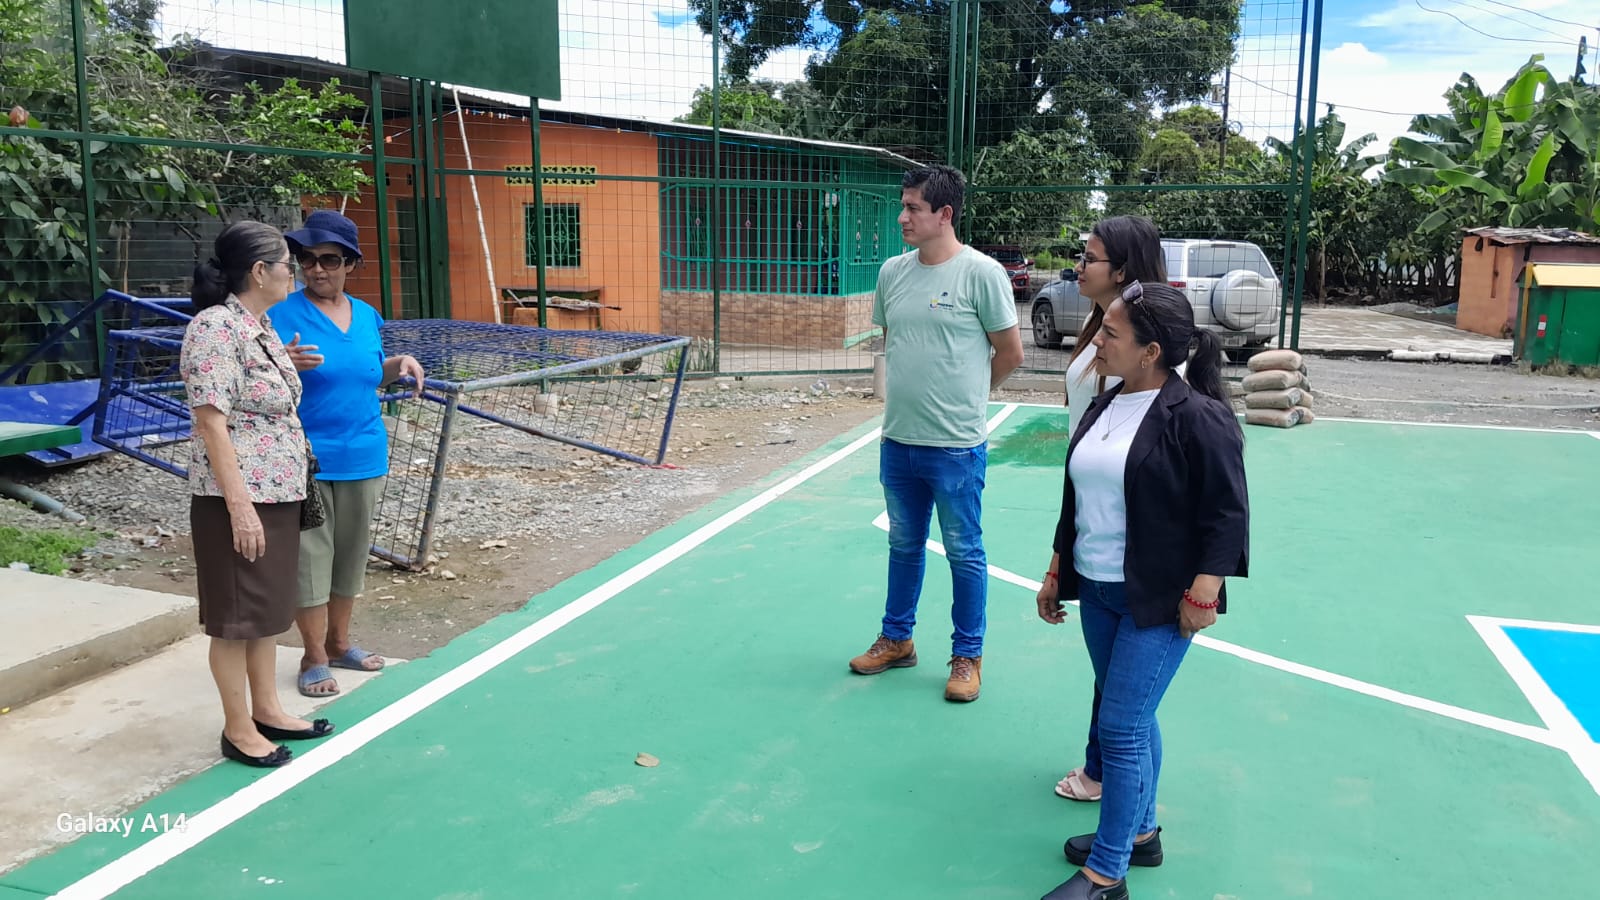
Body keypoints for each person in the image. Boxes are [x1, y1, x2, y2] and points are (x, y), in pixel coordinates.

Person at [1035, 281, 1249, 900]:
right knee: (1132, 716)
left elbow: (1228, 513)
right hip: (1098, 591)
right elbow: (1077, 499)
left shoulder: (1198, 417)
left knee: (1121, 727)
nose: (1097, 342)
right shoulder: (1106, 404)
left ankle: (1107, 874)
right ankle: (1141, 833)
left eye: (1110, 333)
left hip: (1158, 600)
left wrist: (1204, 592)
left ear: (1151, 351)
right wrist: (1056, 570)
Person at [847, 164, 1024, 703]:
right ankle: (897, 639)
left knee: (964, 550)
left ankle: (968, 655)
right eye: (902, 206)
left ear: (944, 214)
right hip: (898, 441)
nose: (902, 217)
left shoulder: (982, 274)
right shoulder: (893, 273)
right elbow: (896, 339)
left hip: (955, 447)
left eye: (913, 208)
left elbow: (1010, 353)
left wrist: (968, 398)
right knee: (903, 545)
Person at [181, 221, 336, 768]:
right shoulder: (214, 328)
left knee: (266, 611)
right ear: (258, 271)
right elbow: (211, 422)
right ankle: (238, 728)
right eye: (288, 265)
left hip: (277, 494)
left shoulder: (258, 327)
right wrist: (240, 508)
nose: (296, 273)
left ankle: (267, 709)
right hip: (237, 500)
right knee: (235, 619)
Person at [272, 209, 424, 698]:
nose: (317, 269)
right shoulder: (279, 314)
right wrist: (281, 363)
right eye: (307, 259)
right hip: (307, 457)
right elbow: (251, 377)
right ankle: (313, 655)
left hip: (364, 452)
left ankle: (339, 643)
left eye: (330, 260)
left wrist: (400, 363)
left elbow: (366, 372)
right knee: (311, 559)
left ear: (351, 264)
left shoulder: (366, 315)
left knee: (351, 557)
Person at [1056, 215, 1171, 804]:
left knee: (1125, 699)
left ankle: (1115, 788)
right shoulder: (1102, 331)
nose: (1078, 266)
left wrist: (1202, 583)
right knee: (1114, 681)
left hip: (1130, 546)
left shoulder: (1138, 354)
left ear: (1122, 271)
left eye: (1090, 257)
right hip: (1093, 521)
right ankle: (1109, 777)